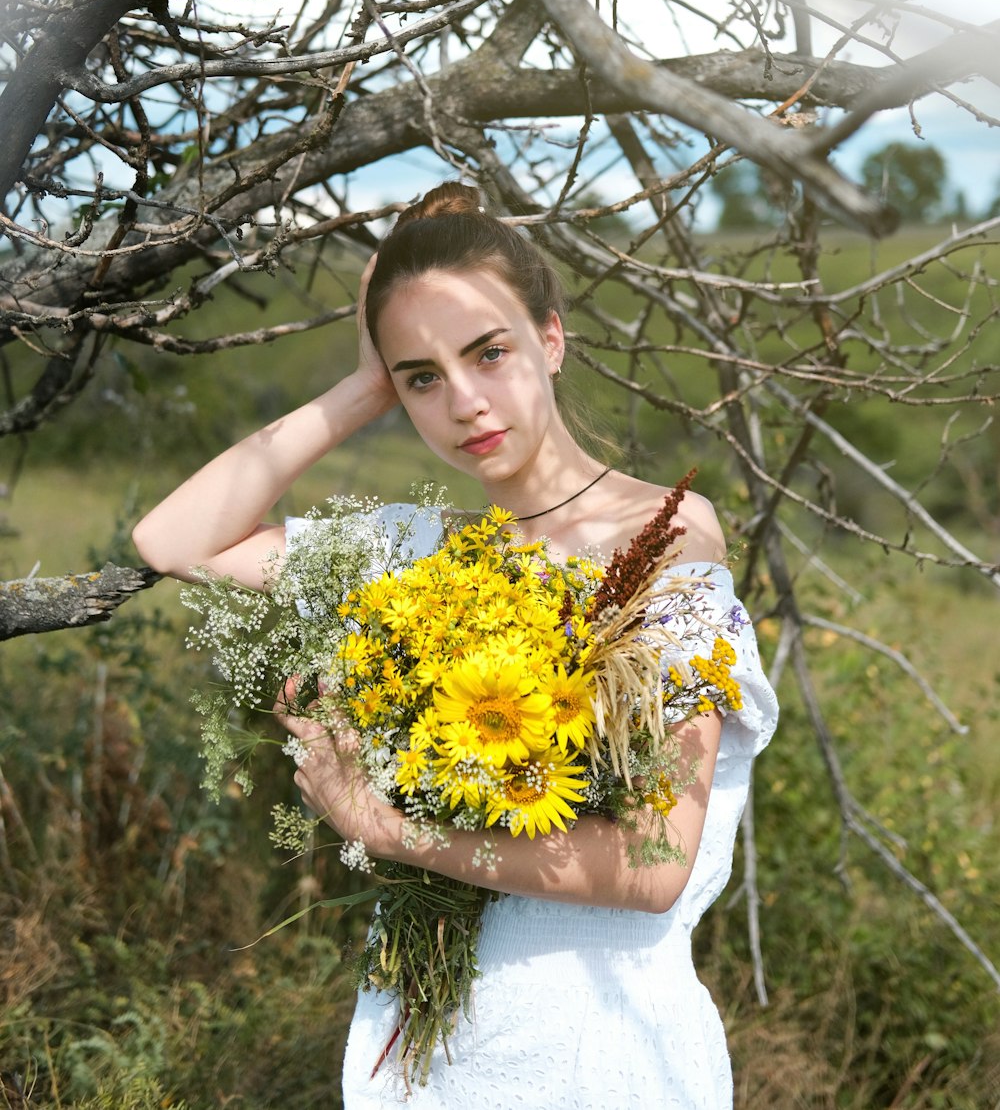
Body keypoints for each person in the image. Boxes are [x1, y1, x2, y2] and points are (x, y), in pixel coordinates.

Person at [133, 182, 778, 1110]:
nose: (464, 403)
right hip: (428, 1066)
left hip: (604, 1062)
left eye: (490, 353)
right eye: (423, 378)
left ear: (551, 340)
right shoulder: (415, 553)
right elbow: (175, 541)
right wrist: (362, 388)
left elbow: (653, 864)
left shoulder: (660, 547)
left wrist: (390, 831)